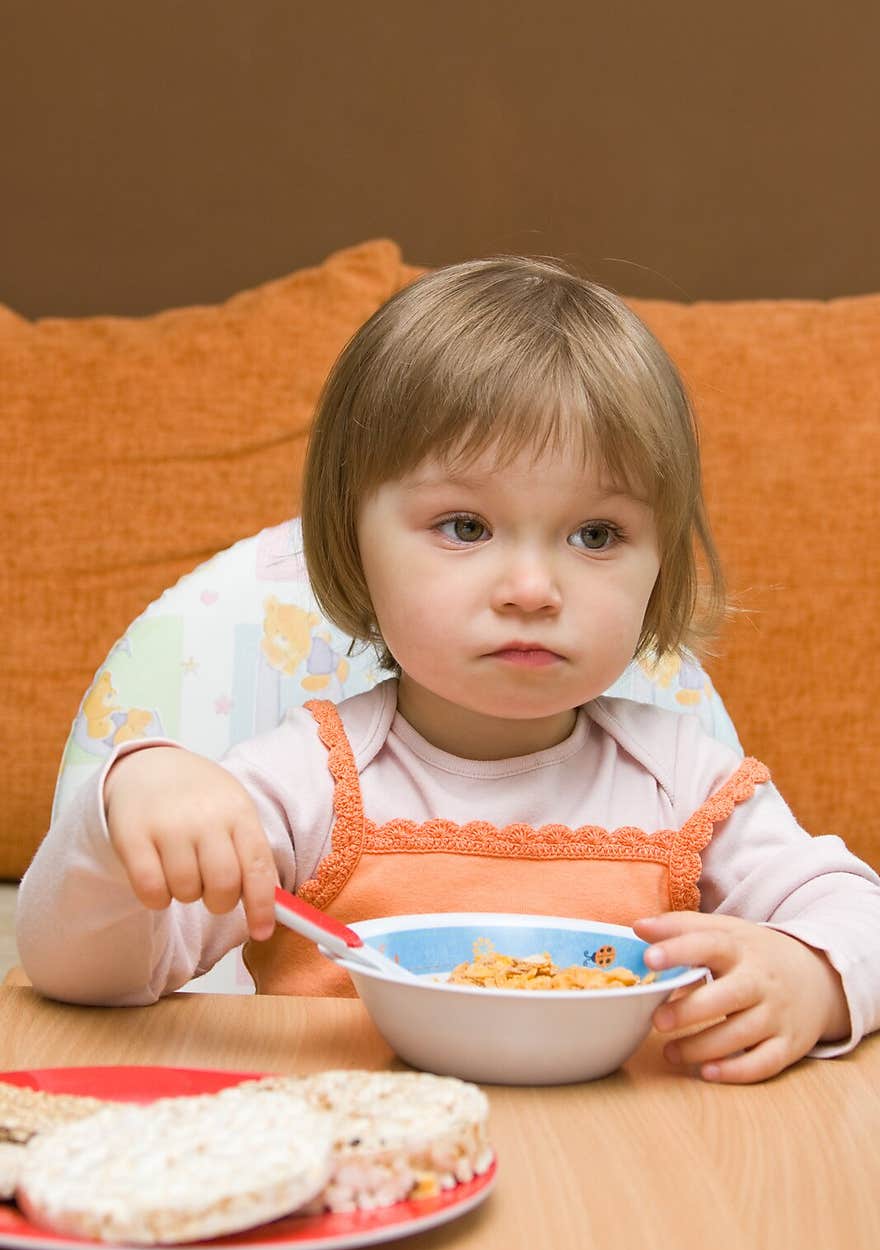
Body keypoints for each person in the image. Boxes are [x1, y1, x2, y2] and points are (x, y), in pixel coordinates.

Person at [16, 256, 880, 1083]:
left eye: (596, 535)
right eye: (466, 526)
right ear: (353, 542)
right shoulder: (307, 784)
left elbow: (860, 915)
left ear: (662, 564)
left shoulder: (685, 784)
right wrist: (123, 807)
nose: (533, 589)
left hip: (625, 1185)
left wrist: (811, 975)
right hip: (359, 1164)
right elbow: (87, 978)